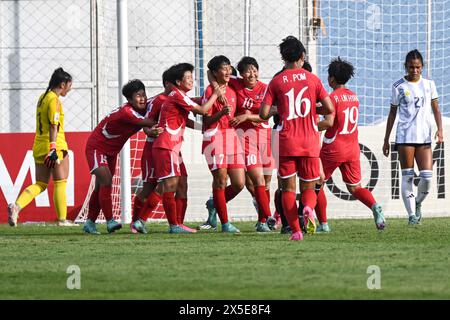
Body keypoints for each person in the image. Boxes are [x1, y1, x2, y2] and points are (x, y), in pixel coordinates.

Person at [259, 36, 334, 241]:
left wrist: (280, 108)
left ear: (283, 58)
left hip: (287, 141)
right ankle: (308, 208)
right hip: (309, 140)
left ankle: (296, 231)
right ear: (302, 56)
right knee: (309, 186)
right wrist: (311, 109)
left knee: (287, 189)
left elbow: (264, 114)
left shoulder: (276, 81)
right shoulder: (313, 79)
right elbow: (329, 109)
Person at [202, 56, 275, 232]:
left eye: (254, 69)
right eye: (247, 70)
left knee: (257, 182)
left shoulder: (266, 89)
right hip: (238, 137)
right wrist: (215, 89)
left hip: (263, 137)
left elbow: (272, 111)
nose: (252, 73)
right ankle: (265, 219)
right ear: (241, 74)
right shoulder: (235, 84)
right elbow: (209, 73)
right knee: (250, 181)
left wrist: (249, 116)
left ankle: (215, 204)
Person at [150, 62, 223, 234]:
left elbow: (188, 119)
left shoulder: (180, 96)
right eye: (188, 78)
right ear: (178, 81)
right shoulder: (176, 95)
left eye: (192, 77)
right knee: (169, 185)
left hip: (173, 148)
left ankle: (178, 223)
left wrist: (202, 128)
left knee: (182, 183)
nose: (191, 80)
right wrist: (216, 94)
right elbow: (203, 110)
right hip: (165, 146)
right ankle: (171, 225)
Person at [83, 79, 163, 235]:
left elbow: (149, 120)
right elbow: (148, 121)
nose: (142, 98)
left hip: (112, 152)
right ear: (129, 100)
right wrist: (171, 115)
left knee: (101, 186)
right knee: (106, 180)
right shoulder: (127, 112)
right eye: (138, 96)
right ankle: (110, 221)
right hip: (96, 148)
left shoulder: (142, 107)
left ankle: (90, 223)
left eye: (143, 94)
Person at [315, 57, 386, 231]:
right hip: (352, 147)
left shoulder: (332, 97)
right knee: (355, 187)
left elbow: (328, 117)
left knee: (317, 182)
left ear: (331, 79)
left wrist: (308, 120)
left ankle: (323, 224)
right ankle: (374, 206)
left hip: (334, 146)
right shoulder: (353, 97)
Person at [8, 68, 76, 227]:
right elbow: (54, 126)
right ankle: (62, 220)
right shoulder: (54, 100)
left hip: (38, 145)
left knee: (41, 183)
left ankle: (16, 206)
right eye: (69, 85)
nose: (70, 89)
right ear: (62, 84)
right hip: (54, 146)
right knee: (60, 182)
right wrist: (53, 148)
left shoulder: (43, 97)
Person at [383, 49, 443, 224]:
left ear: (422, 67)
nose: (414, 70)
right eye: (411, 67)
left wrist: (440, 130)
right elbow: (392, 113)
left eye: (417, 67)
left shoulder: (429, 85)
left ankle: (417, 203)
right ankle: (411, 216)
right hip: (405, 137)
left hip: (424, 138)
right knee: (407, 176)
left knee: (427, 177)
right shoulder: (398, 86)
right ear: (406, 67)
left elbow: (436, 109)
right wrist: (386, 139)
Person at [201, 55, 245, 233]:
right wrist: (221, 113)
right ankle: (225, 224)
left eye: (229, 67)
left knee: (239, 183)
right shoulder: (209, 92)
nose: (227, 71)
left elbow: (208, 73)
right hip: (214, 137)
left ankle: (214, 203)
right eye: (223, 68)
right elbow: (206, 121)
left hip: (231, 137)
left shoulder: (234, 86)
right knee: (220, 180)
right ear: (215, 72)